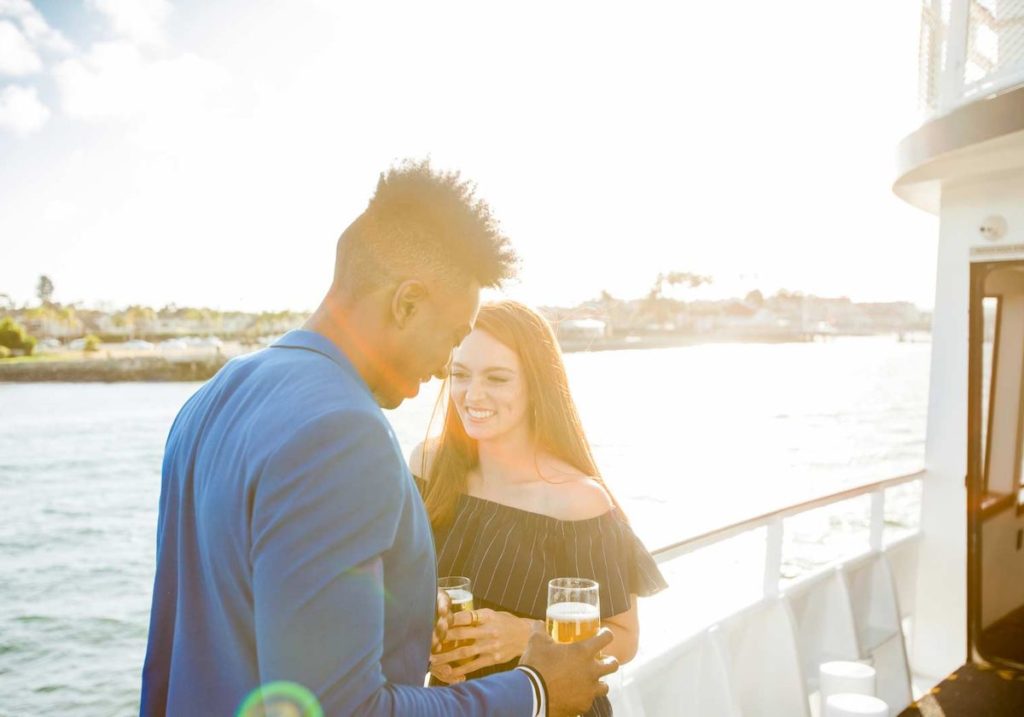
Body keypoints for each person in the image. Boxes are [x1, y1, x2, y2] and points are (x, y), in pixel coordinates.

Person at [139, 161, 617, 717]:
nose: (446, 368)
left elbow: (188, 641)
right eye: (454, 337)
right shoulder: (343, 433)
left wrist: (406, 609)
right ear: (407, 303)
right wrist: (535, 690)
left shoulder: (213, 397)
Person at [411, 300, 668, 717]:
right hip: (454, 705)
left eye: (497, 378)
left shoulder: (576, 501)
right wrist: (423, 643)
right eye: (460, 374)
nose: (473, 395)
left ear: (536, 385)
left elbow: (623, 637)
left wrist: (526, 635)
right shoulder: (426, 467)